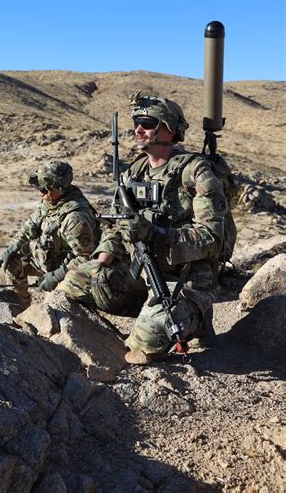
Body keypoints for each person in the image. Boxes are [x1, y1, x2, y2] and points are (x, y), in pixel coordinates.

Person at [60, 93, 227, 365]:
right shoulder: (133, 173)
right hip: (140, 265)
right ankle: (148, 308)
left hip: (186, 275)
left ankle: (194, 317)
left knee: (144, 344)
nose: (138, 129)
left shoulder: (195, 172)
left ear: (170, 130)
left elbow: (212, 238)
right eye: (136, 122)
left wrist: (156, 234)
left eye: (147, 123)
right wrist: (104, 258)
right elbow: (117, 225)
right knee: (75, 282)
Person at [0, 160, 99, 306]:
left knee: (58, 300)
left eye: (44, 189)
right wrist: (13, 247)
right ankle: (21, 311)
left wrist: (56, 276)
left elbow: (86, 257)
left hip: (71, 270)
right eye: (39, 188)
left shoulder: (75, 218)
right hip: (49, 261)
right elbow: (29, 226)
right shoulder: (50, 202)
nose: (40, 193)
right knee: (13, 265)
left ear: (59, 188)